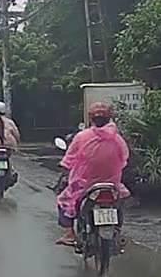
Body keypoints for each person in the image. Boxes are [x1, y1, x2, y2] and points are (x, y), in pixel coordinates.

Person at [55, 102, 131, 249]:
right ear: (109, 118)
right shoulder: (117, 138)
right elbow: (124, 159)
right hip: (111, 184)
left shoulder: (81, 137)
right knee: (118, 203)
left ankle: (69, 234)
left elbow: (69, 159)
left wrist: (64, 167)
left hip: (84, 185)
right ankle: (118, 232)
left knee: (63, 200)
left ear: (91, 118)